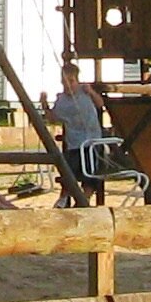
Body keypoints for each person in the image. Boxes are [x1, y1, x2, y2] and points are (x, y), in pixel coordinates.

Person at [47, 62, 109, 207]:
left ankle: (83, 201)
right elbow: (53, 118)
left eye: (71, 81)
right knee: (69, 173)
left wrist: (92, 92)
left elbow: (100, 104)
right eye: (64, 82)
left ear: (77, 80)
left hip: (91, 142)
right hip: (74, 144)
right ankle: (63, 199)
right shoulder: (61, 100)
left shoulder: (85, 92)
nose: (68, 85)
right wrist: (44, 104)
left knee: (91, 175)